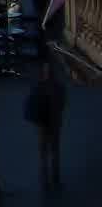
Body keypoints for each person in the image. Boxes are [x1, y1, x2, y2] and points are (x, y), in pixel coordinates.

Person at [24, 60, 66, 193]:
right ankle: (53, 179)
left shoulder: (39, 86)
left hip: (45, 123)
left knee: (45, 153)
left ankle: (47, 181)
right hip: (51, 123)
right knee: (53, 152)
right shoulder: (58, 87)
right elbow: (62, 104)